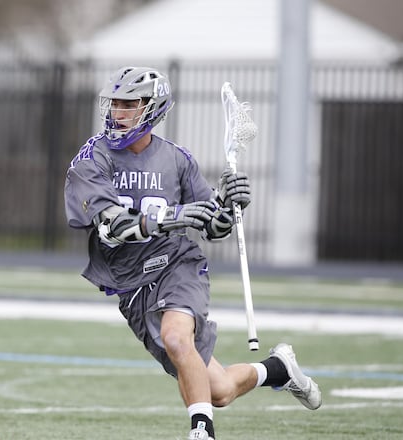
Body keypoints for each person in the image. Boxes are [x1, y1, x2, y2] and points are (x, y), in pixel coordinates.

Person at [64, 66, 321, 440]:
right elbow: (111, 226)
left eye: (129, 104)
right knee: (219, 390)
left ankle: (201, 432)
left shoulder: (177, 159)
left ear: (152, 108)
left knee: (176, 337)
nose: (118, 112)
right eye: (115, 103)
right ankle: (279, 369)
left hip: (176, 265)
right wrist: (172, 216)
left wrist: (227, 205)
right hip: (131, 285)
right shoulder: (93, 158)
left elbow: (213, 227)